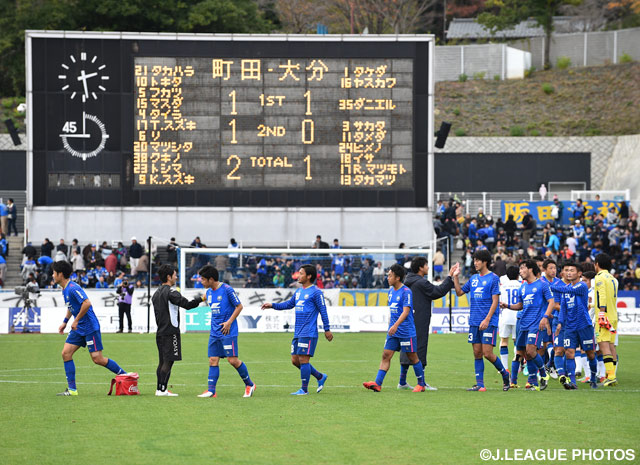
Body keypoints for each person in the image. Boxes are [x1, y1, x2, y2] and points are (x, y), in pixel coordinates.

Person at [52, 261, 127, 396]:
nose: (52, 275)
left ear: (60, 274)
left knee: (97, 359)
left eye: (54, 273)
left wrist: (76, 320)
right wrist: (65, 322)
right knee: (66, 353)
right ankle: (72, 390)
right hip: (79, 327)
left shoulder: (73, 288)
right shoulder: (64, 289)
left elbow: (86, 303)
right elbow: (71, 307)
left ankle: (126, 376)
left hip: (89, 327)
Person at [261, 264, 333, 395]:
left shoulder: (316, 292)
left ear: (309, 276)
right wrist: (272, 305)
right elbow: (288, 304)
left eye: (301, 273)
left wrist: (327, 329)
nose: (298, 275)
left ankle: (304, 390)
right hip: (298, 331)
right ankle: (320, 377)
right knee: (295, 360)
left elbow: (323, 310)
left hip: (309, 331)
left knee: (304, 360)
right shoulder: (299, 292)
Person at [397, 257, 458, 391]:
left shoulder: (406, 281)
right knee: (420, 348)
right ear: (420, 268)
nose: (428, 267)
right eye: (426, 265)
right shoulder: (421, 283)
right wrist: (449, 277)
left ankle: (402, 381)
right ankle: (422, 382)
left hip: (406, 320)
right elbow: (438, 292)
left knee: (406, 348)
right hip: (419, 320)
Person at [363, 264, 427, 393]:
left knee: (412, 357)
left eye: (390, 275)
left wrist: (395, 325)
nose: (388, 278)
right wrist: (391, 326)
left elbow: (406, 311)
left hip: (405, 331)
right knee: (386, 355)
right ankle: (378, 383)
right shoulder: (391, 291)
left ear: (397, 278)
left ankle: (421, 384)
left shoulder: (406, 292)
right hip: (393, 332)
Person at [453, 250, 510, 391]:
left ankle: (505, 374)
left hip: (488, 322)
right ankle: (480, 385)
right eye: (474, 260)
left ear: (484, 262)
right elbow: (460, 292)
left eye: (477, 260)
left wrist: (487, 319)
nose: (475, 263)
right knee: (477, 353)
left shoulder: (493, 278)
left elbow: (495, 301)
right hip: (474, 321)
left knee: (487, 353)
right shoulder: (473, 279)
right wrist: (455, 277)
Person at [197, 265, 255, 398]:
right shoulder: (209, 292)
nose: (201, 281)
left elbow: (239, 306)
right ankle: (211, 390)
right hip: (214, 332)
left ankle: (249, 384)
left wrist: (229, 322)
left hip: (228, 331)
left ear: (211, 279)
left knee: (233, 360)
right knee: (213, 360)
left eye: (203, 279)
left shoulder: (227, 289)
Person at [500, 260, 554, 391]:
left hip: (536, 324)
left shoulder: (542, 284)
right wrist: (507, 306)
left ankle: (543, 373)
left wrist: (545, 318)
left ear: (530, 269)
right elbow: (521, 305)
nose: (520, 272)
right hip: (523, 323)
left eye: (522, 269)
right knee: (525, 354)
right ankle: (533, 381)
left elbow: (551, 302)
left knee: (531, 350)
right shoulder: (522, 287)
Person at [152, 264, 204, 396]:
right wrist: (202, 298)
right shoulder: (171, 292)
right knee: (169, 361)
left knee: (162, 361)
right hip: (171, 331)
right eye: (175, 274)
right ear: (169, 277)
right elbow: (187, 305)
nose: (176, 277)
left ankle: (159, 389)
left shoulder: (156, 293)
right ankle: (163, 390)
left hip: (160, 332)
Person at [550, 262, 599, 389]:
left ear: (579, 273)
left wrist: (549, 285)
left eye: (572, 270)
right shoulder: (566, 289)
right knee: (569, 353)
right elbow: (563, 309)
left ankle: (593, 377)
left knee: (590, 353)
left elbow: (568, 289)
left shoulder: (581, 286)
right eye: (567, 271)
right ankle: (572, 382)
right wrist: (560, 323)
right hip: (570, 327)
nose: (569, 273)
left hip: (584, 325)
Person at [594, 253, 619, 387]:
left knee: (603, 345)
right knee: (611, 345)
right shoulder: (613, 279)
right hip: (614, 315)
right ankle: (612, 374)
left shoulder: (599, 277)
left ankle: (611, 376)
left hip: (604, 315)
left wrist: (601, 312)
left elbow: (602, 295)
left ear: (597, 264)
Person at [498, 266, 521, 369]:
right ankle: (518, 366)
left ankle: (504, 368)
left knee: (504, 341)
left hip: (505, 316)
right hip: (518, 316)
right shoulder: (522, 285)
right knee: (517, 342)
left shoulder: (502, 286)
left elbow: (499, 301)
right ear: (518, 275)